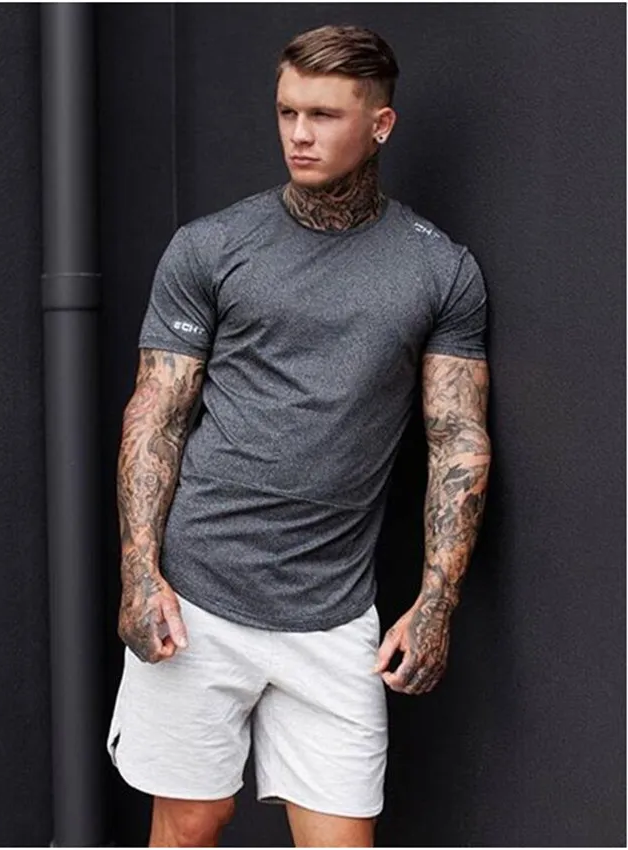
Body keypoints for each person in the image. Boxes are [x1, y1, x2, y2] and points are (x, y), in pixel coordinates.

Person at [106, 22, 491, 848]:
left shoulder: (440, 270)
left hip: (334, 612)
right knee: (191, 824)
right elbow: (156, 413)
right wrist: (139, 574)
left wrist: (437, 602)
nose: (299, 134)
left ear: (380, 125)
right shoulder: (212, 247)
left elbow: (458, 440)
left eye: (323, 114)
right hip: (199, 596)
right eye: (287, 112)